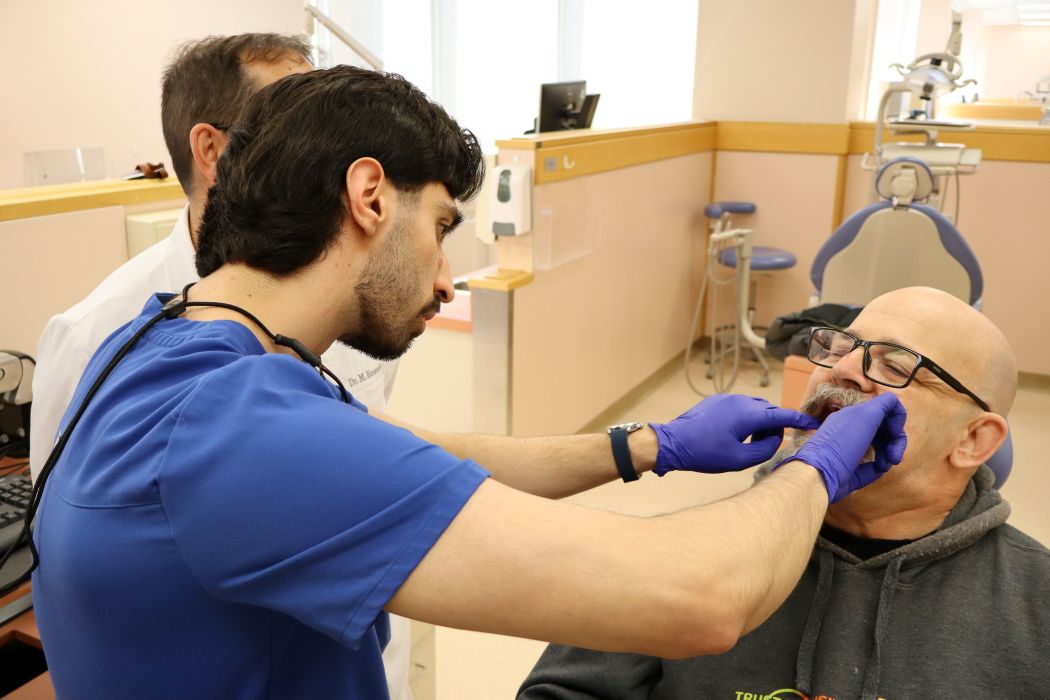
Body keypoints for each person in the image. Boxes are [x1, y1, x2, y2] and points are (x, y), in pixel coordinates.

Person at [30, 66, 907, 699]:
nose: (448, 277)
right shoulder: (237, 427)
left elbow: (408, 455)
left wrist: (648, 446)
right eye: (442, 226)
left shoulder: (174, 340)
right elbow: (702, 599)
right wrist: (818, 465)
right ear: (369, 196)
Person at [27, 34, 406, 699]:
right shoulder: (99, 333)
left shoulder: (347, 288)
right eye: (295, 122)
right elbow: (69, 560)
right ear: (212, 151)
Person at [518, 286, 1050, 700]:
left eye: (894, 364)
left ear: (974, 440)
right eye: (842, 346)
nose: (842, 368)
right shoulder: (689, 555)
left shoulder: (1035, 604)